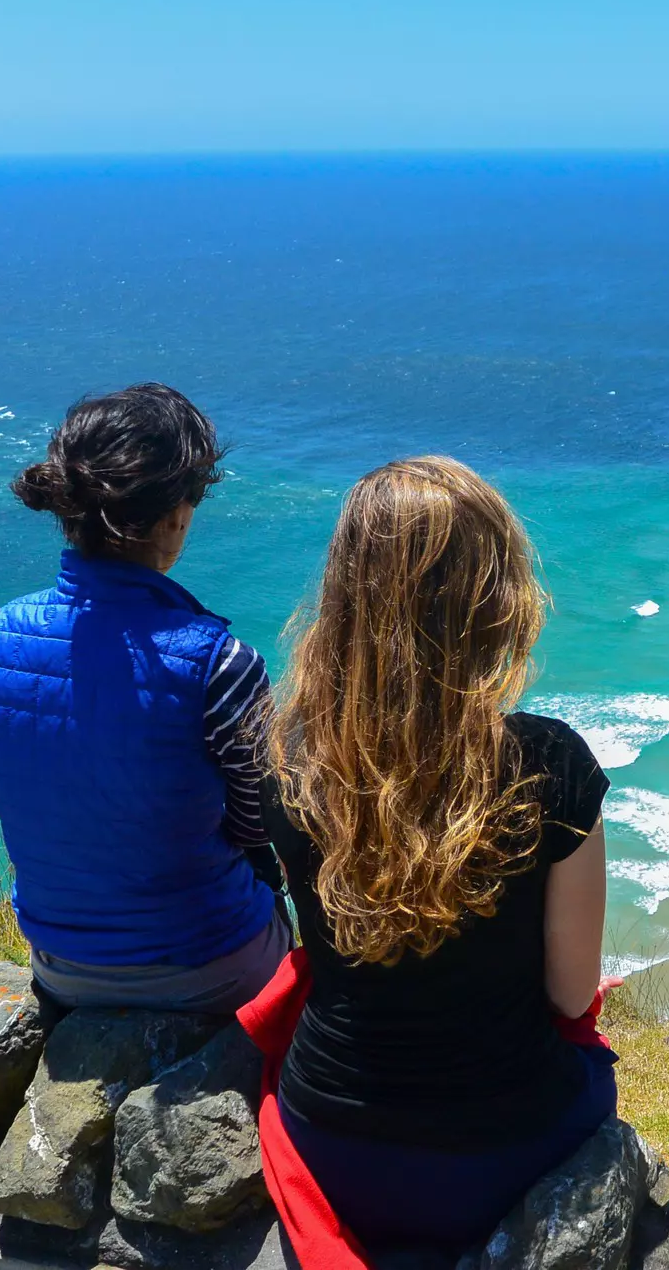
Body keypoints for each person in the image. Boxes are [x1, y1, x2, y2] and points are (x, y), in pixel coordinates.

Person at [263, 455, 613, 1256]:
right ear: (493, 604)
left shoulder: (289, 760)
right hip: (508, 1140)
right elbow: (571, 994)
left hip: (333, 1136)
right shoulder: (551, 764)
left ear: (346, 596)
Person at [0, 382, 288, 1012]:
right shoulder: (223, 665)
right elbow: (258, 824)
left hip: (61, 964)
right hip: (213, 964)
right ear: (175, 514)